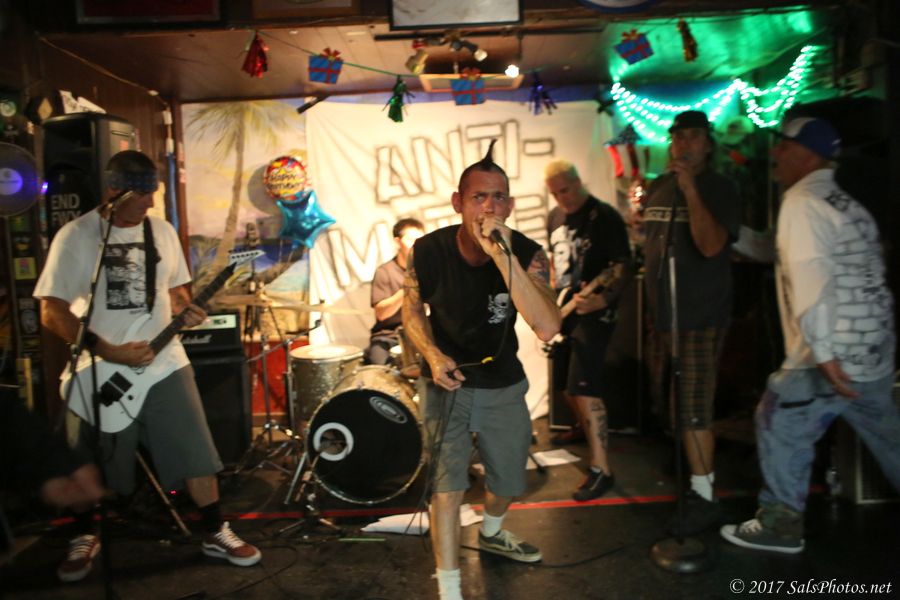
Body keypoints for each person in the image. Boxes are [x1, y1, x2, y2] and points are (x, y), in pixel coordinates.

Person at [33, 150, 261, 583]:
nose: (150, 203)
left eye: (152, 193)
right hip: (98, 367)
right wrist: (108, 350)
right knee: (87, 460)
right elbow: (51, 311)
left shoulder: (162, 232)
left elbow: (177, 294)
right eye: (141, 194)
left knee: (196, 451)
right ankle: (84, 535)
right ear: (114, 191)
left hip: (165, 362)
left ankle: (215, 529)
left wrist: (189, 311)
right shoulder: (76, 236)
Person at [720, 117, 899, 553]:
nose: (775, 154)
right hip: (873, 350)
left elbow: (810, 274)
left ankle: (780, 525)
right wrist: (731, 234)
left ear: (807, 155)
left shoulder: (801, 203)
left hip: (830, 353)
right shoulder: (844, 202)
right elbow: (779, 250)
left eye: (783, 146)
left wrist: (822, 353)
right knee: (890, 438)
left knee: (778, 418)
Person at [402, 142, 561, 600]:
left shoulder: (526, 253)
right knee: (446, 488)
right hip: (445, 380)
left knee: (509, 481)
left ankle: (492, 531)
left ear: (509, 205)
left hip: (501, 379)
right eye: (478, 197)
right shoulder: (427, 250)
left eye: (498, 197)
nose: (488, 207)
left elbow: (547, 326)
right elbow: (412, 310)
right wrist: (432, 355)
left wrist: (502, 257)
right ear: (458, 202)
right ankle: (450, 588)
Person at [640, 110, 741, 533]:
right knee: (671, 404)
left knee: (694, 406)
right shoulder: (659, 186)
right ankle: (690, 470)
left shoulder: (720, 188)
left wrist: (689, 189)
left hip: (699, 316)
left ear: (709, 144)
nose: (683, 144)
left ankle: (704, 494)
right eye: (678, 137)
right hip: (663, 316)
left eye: (693, 137)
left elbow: (711, 245)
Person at [544, 160, 632, 501]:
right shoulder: (555, 217)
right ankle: (583, 428)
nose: (561, 198)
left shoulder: (604, 217)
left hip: (595, 315)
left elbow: (622, 265)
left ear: (578, 181)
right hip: (566, 311)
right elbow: (556, 264)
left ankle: (601, 469)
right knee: (565, 383)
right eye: (554, 193)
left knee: (584, 387)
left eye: (565, 190)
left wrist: (603, 299)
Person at [364, 218, 425, 365]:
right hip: (390, 335)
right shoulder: (385, 271)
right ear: (398, 242)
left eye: (420, 240)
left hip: (422, 333)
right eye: (411, 240)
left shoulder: (427, 268)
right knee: (379, 365)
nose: (416, 245)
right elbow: (382, 314)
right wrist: (407, 288)